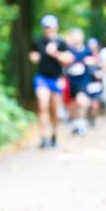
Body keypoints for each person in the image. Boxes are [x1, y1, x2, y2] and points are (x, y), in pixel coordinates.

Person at [29, 15, 73, 149]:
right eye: (46, 27)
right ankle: (43, 137)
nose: (49, 29)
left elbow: (69, 60)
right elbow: (33, 56)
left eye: (51, 26)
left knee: (55, 109)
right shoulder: (38, 41)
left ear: (56, 27)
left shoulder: (61, 42)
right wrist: (34, 57)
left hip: (56, 79)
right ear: (43, 28)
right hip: (42, 78)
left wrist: (55, 54)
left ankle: (54, 135)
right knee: (43, 105)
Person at [63, 28, 95, 136]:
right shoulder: (68, 50)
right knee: (73, 105)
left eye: (79, 36)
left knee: (83, 102)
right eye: (75, 36)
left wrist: (90, 62)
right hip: (71, 82)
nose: (77, 38)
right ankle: (76, 124)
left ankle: (81, 124)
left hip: (83, 81)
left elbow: (93, 62)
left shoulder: (87, 51)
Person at [85, 37, 104, 126]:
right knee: (87, 104)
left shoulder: (101, 57)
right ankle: (88, 118)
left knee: (95, 104)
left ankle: (92, 119)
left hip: (97, 84)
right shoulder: (84, 56)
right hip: (86, 84)